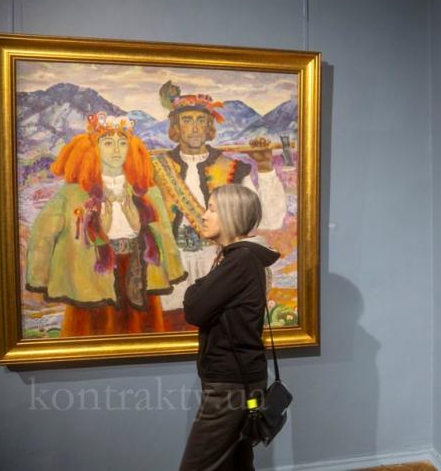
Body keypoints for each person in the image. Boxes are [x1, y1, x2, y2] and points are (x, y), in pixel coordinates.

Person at [26, 112, 186, 336]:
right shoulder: (72, 194)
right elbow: (42, 234)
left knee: (141, 333)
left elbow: (164, 234)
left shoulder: (149, 192)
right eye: (108, 143)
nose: (117, 150)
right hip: (91, 274)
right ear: (94, 149)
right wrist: (39, 277)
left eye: (123, 143)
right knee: (94, 332)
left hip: (139, 271)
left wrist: (173, 268)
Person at [152, 81, 286, 330]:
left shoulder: (232, 168)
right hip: (171, 265)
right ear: (176, 128)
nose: (195, 128)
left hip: (217, 263)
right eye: (187, 120)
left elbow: (270, 219)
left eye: (201, 121)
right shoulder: (156, 169)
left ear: (209, 127)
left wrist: (265, 168)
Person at [180, 184, 280, 471]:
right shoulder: (239, 258)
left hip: (231, 386)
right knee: (236, 464)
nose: (203, 215)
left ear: (231, 215)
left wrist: (197, 287)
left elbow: (194, 308)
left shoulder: (240, 260)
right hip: (240, 380)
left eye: (212, 209)